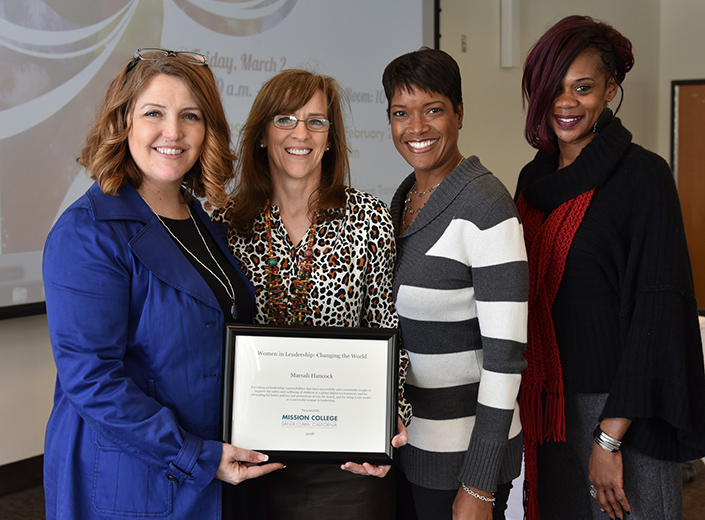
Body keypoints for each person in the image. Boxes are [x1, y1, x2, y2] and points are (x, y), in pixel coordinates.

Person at [42, 48, 283, 520]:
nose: (173, 132)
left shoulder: (204, 223)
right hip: (132, 480)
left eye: (190, 116)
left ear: (207, 129)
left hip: (207, 473)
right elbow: (93, 381)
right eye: (154, 113)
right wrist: (196, 454)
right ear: (124, 121)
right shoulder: (87, 232)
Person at [516, 15, 705, 520]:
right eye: (552, 87)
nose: (565, 102)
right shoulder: (532, 183)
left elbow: (656, 314)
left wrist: (609, 438)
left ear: (610, 90)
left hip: (621, 415)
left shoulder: (642, 177)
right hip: (548, 408)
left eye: (583, 87)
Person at [211, 68, 410, 520]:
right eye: (285, 119)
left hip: (348, 464)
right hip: (253, 458)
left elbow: (387, 327)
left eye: (316, 121)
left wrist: (389, 422)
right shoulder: (227, 224)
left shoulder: (369, 219)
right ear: (262, 134)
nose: (301, 133)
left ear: (330, 138)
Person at [382, 48, 529, 520]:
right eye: (401, 113)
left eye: (433, 110)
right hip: (410, 452)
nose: (416, 128)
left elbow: (505, 360)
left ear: (459, 112)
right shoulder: (405, 197)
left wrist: (480, 485)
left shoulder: (487, 205)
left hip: (462, 465)